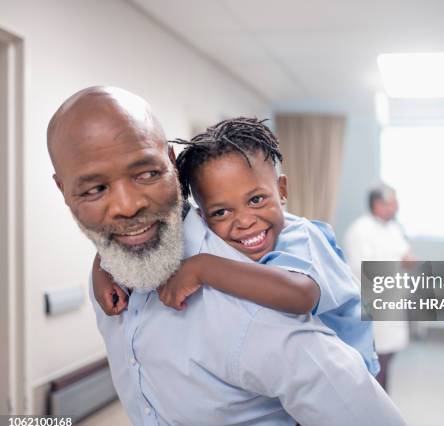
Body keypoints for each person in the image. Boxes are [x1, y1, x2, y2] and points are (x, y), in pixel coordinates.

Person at [47, 86, 410, 426]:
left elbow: (373, 422)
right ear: (64, 191)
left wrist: (204, 268)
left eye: (146, 173)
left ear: (170, 166)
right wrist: (101, 264)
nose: (127, 206)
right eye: (95, 189)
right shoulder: (119, 267)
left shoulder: (259, 289)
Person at [93, 117, 379, 376]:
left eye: (256, 200)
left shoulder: (301, 237)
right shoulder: (217, 233)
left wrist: (202, 269)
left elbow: (300, 294)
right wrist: (103, 268)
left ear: (282, 190)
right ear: (203, 216)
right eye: (221, 212)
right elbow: (149, 230)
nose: (243, 221)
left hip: (347, 373)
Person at [344, 184, 412, 391]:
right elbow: (362, 268)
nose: (396, 207)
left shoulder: (394, 228)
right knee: (374, 363)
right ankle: (375, 412)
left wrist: (407, 260)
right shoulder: (360, 230)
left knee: (387, 359)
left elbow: (404, 255)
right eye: (391, 203)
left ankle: (383, 407)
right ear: (377, 204)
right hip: (372, 306)